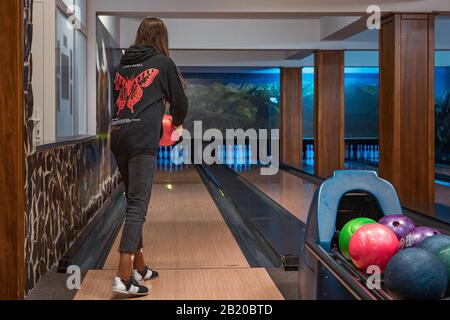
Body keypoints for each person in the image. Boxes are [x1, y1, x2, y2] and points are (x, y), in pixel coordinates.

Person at [110, 17, 188, 296]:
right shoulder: (163, 63)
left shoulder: (122, 64)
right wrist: (177, 125)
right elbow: (180, 101)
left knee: (132, 201)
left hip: (118, 134)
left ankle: (140, 268)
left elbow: (118, 101)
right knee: (138, 206)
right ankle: (122, 276)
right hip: (143, 138)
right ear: (161, 38)